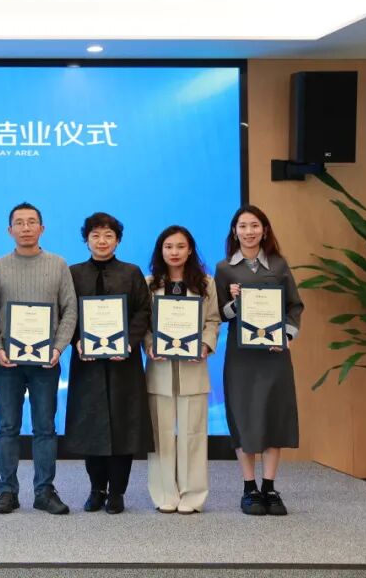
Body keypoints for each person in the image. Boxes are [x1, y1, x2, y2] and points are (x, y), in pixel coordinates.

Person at [0, 202, 76, 516]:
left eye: (32, 222)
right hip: (8, 362)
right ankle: (7, 491)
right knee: (7, 427)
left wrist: (58, 348)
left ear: (42, 228)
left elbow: (70, 310)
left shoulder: (58, 265)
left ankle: (44, 491)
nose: (26, 228)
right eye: (19, 223)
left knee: (45, 428)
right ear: (9, 230)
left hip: (46, 363)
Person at [214, 205, 304, 516]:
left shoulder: (279, 264)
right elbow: (219, 314)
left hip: (273, 355)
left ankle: (270, 487)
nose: (249, 231)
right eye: (243, 226)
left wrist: (287, 336)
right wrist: (234, 302)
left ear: (264, 230)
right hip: (241, 357)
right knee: (244, 415)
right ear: (234, 231)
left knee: (273, 414)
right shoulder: (224, 268)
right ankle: (249, 487)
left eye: (255, 225)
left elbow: (294, 306)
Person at [63, 211, 152, 515]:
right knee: (92, 426)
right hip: (86, 362)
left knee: (123, 426)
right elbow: (67, 312)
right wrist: (76, 340)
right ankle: (96, 489)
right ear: (86, 240)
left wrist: (129, 342)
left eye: (108, 235)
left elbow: (143, 311)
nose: (102, 241)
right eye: (95, 235)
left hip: (123, 362)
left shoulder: (131, 272)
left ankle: (117, 492)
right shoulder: (73, 273)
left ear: (118, 240)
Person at [144, 225, 220, 514]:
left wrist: (205, 345)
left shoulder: (206, 284)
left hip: (194, 368)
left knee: (193, 433)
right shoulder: (149, 284)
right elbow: (143, 323)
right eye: (168, 247)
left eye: (180, 246)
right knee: (160, 433)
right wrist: (149, 344)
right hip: (159, 369)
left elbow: (213, 321)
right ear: (160, 251)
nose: (174, 252)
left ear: (190, 251)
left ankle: (193, 495)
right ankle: (165, 493)